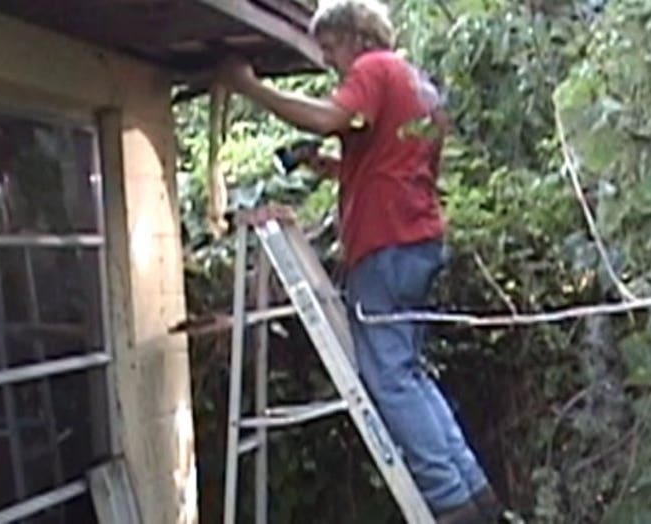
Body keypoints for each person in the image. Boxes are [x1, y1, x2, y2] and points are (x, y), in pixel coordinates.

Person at [215, 1, 509, 522]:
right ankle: (473, 492)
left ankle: (451, 505)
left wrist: (250, 86)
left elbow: (332, 116)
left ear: (355, 35)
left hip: (386, 244)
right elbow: (393, 165)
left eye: (329, 47)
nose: (329, 60)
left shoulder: (374, 68)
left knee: (390, 379)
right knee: (409, 373)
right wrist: (324, 162)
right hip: (416, 239)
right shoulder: (416, 85)